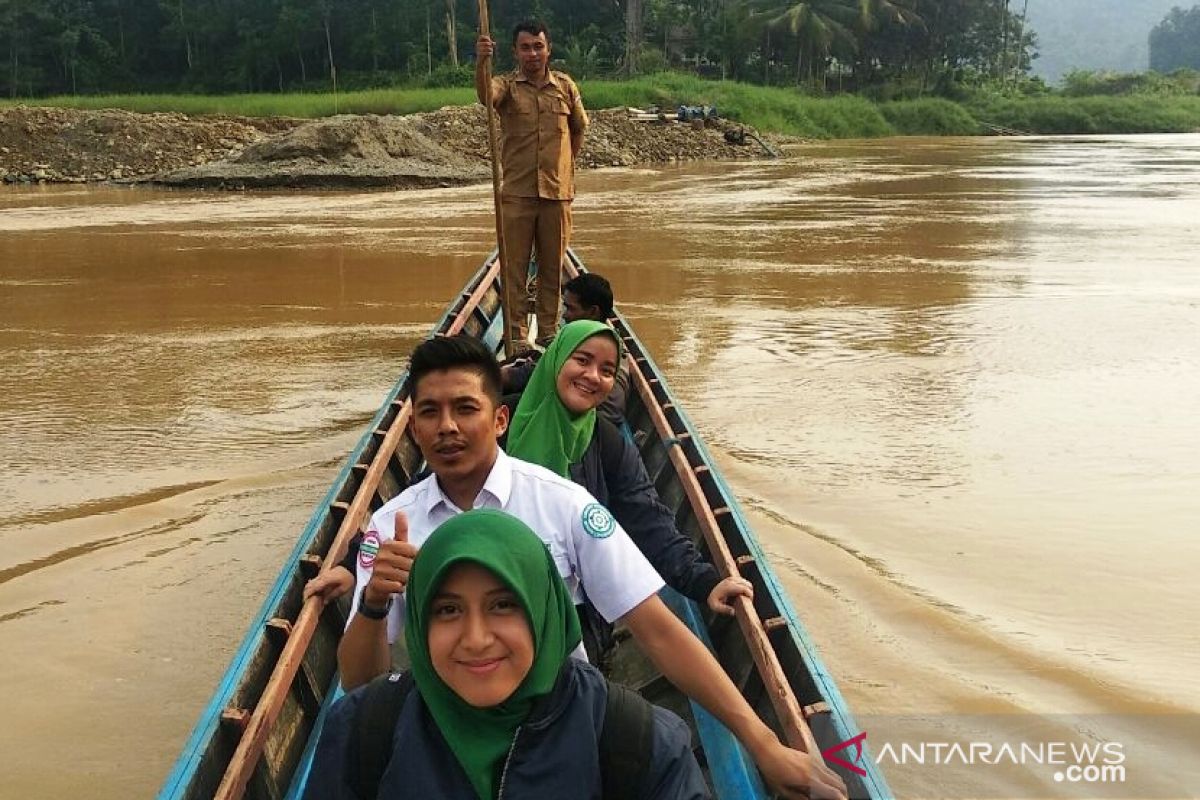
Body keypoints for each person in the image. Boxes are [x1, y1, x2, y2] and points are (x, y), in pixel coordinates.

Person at [306, 335, 847, 800]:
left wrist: (763, 742)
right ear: (414, 428)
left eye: (464, 409)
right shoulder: (391, 524)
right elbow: (361, 684)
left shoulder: (564, 505)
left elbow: (656, 629)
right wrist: (375, 601)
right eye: (429, 412)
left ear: (499, 418)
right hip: (442, 720)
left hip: (560, 721)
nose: (447, 427)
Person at [302, 510, 709, 799]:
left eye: (503, 606)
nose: (476, 639)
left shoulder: (638, 741)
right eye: (448, 610)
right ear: (421, 621)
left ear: (542, 610)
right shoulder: (364, 729)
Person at [504, 319, 751, 659]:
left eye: (607, 370)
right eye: (582, 360)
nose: (593, 376)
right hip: (492, 590)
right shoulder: (497, 422)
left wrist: (705, 581)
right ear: (557, 359)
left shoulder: (606, 442)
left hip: (574, 607)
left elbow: (648, 518)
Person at [476, 20, 587, 352]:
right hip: (518, 195)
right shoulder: (506, 86)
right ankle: (516, 335)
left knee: (552, 268)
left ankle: (549, 333)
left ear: (548, 49)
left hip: (557, 195)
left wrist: (565, 168)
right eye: (525, 47)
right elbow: (486, 96)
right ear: (515, 51)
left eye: (538, 46)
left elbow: (578, 129)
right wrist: (482, 60)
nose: (533, 53)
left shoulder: (565, 87)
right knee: (514, 270)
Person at [502, 271, 629, 424]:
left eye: (571, 308)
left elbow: (531, 374)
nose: (565, 316)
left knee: (506, 402)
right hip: (595, 418)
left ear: (593, 312)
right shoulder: (609, 343)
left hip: (586, 422)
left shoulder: (587, 348)